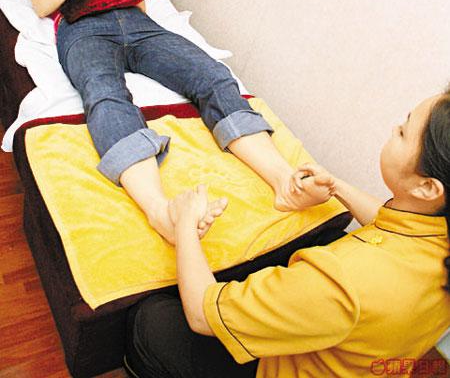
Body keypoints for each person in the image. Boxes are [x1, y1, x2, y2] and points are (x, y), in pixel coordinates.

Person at [24, 0, 332, 243]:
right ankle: (161, 213)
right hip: (84, 30)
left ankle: (284, 182)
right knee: (104, 94)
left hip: (138, 26)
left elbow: (139, 1)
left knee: (212, 75)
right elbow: (42, 4)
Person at [125, 88, 450, 377]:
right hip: (362, 350)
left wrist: (184, 223)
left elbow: (201, 315)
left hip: (284, 363)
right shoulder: (438, 233)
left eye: (403, 132)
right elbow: (389, 222)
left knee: (153, 320)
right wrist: (336, 185)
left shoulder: (344, 281)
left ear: (427, 188)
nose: (394, 129)